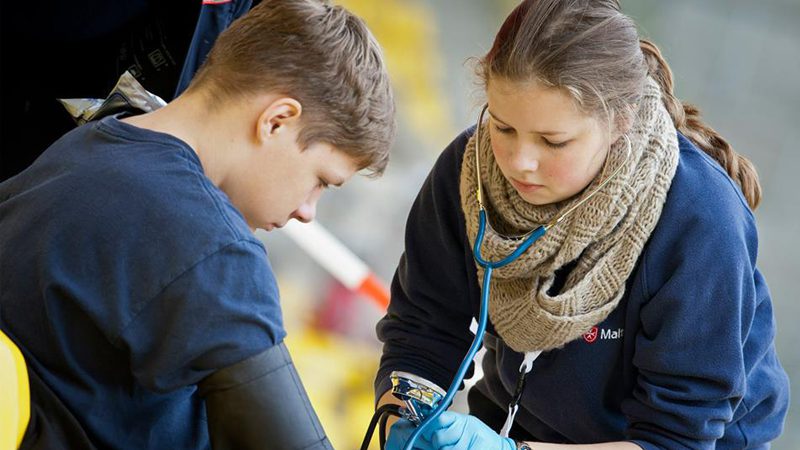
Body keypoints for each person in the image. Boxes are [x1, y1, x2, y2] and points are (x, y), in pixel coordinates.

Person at [374, 1, 789, 449]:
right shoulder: (469, 173)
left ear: (619, 122)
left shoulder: (701, 219)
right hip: (517, 424)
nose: (519, 162)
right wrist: (406, 416)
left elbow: (675, 439)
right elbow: (423, 326)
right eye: (503, 127)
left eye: (553, 142)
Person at [0, 0, 395, 449]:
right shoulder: (211, 246)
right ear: (277, 120)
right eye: (320, 181)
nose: (308, 211)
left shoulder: (79, 150)